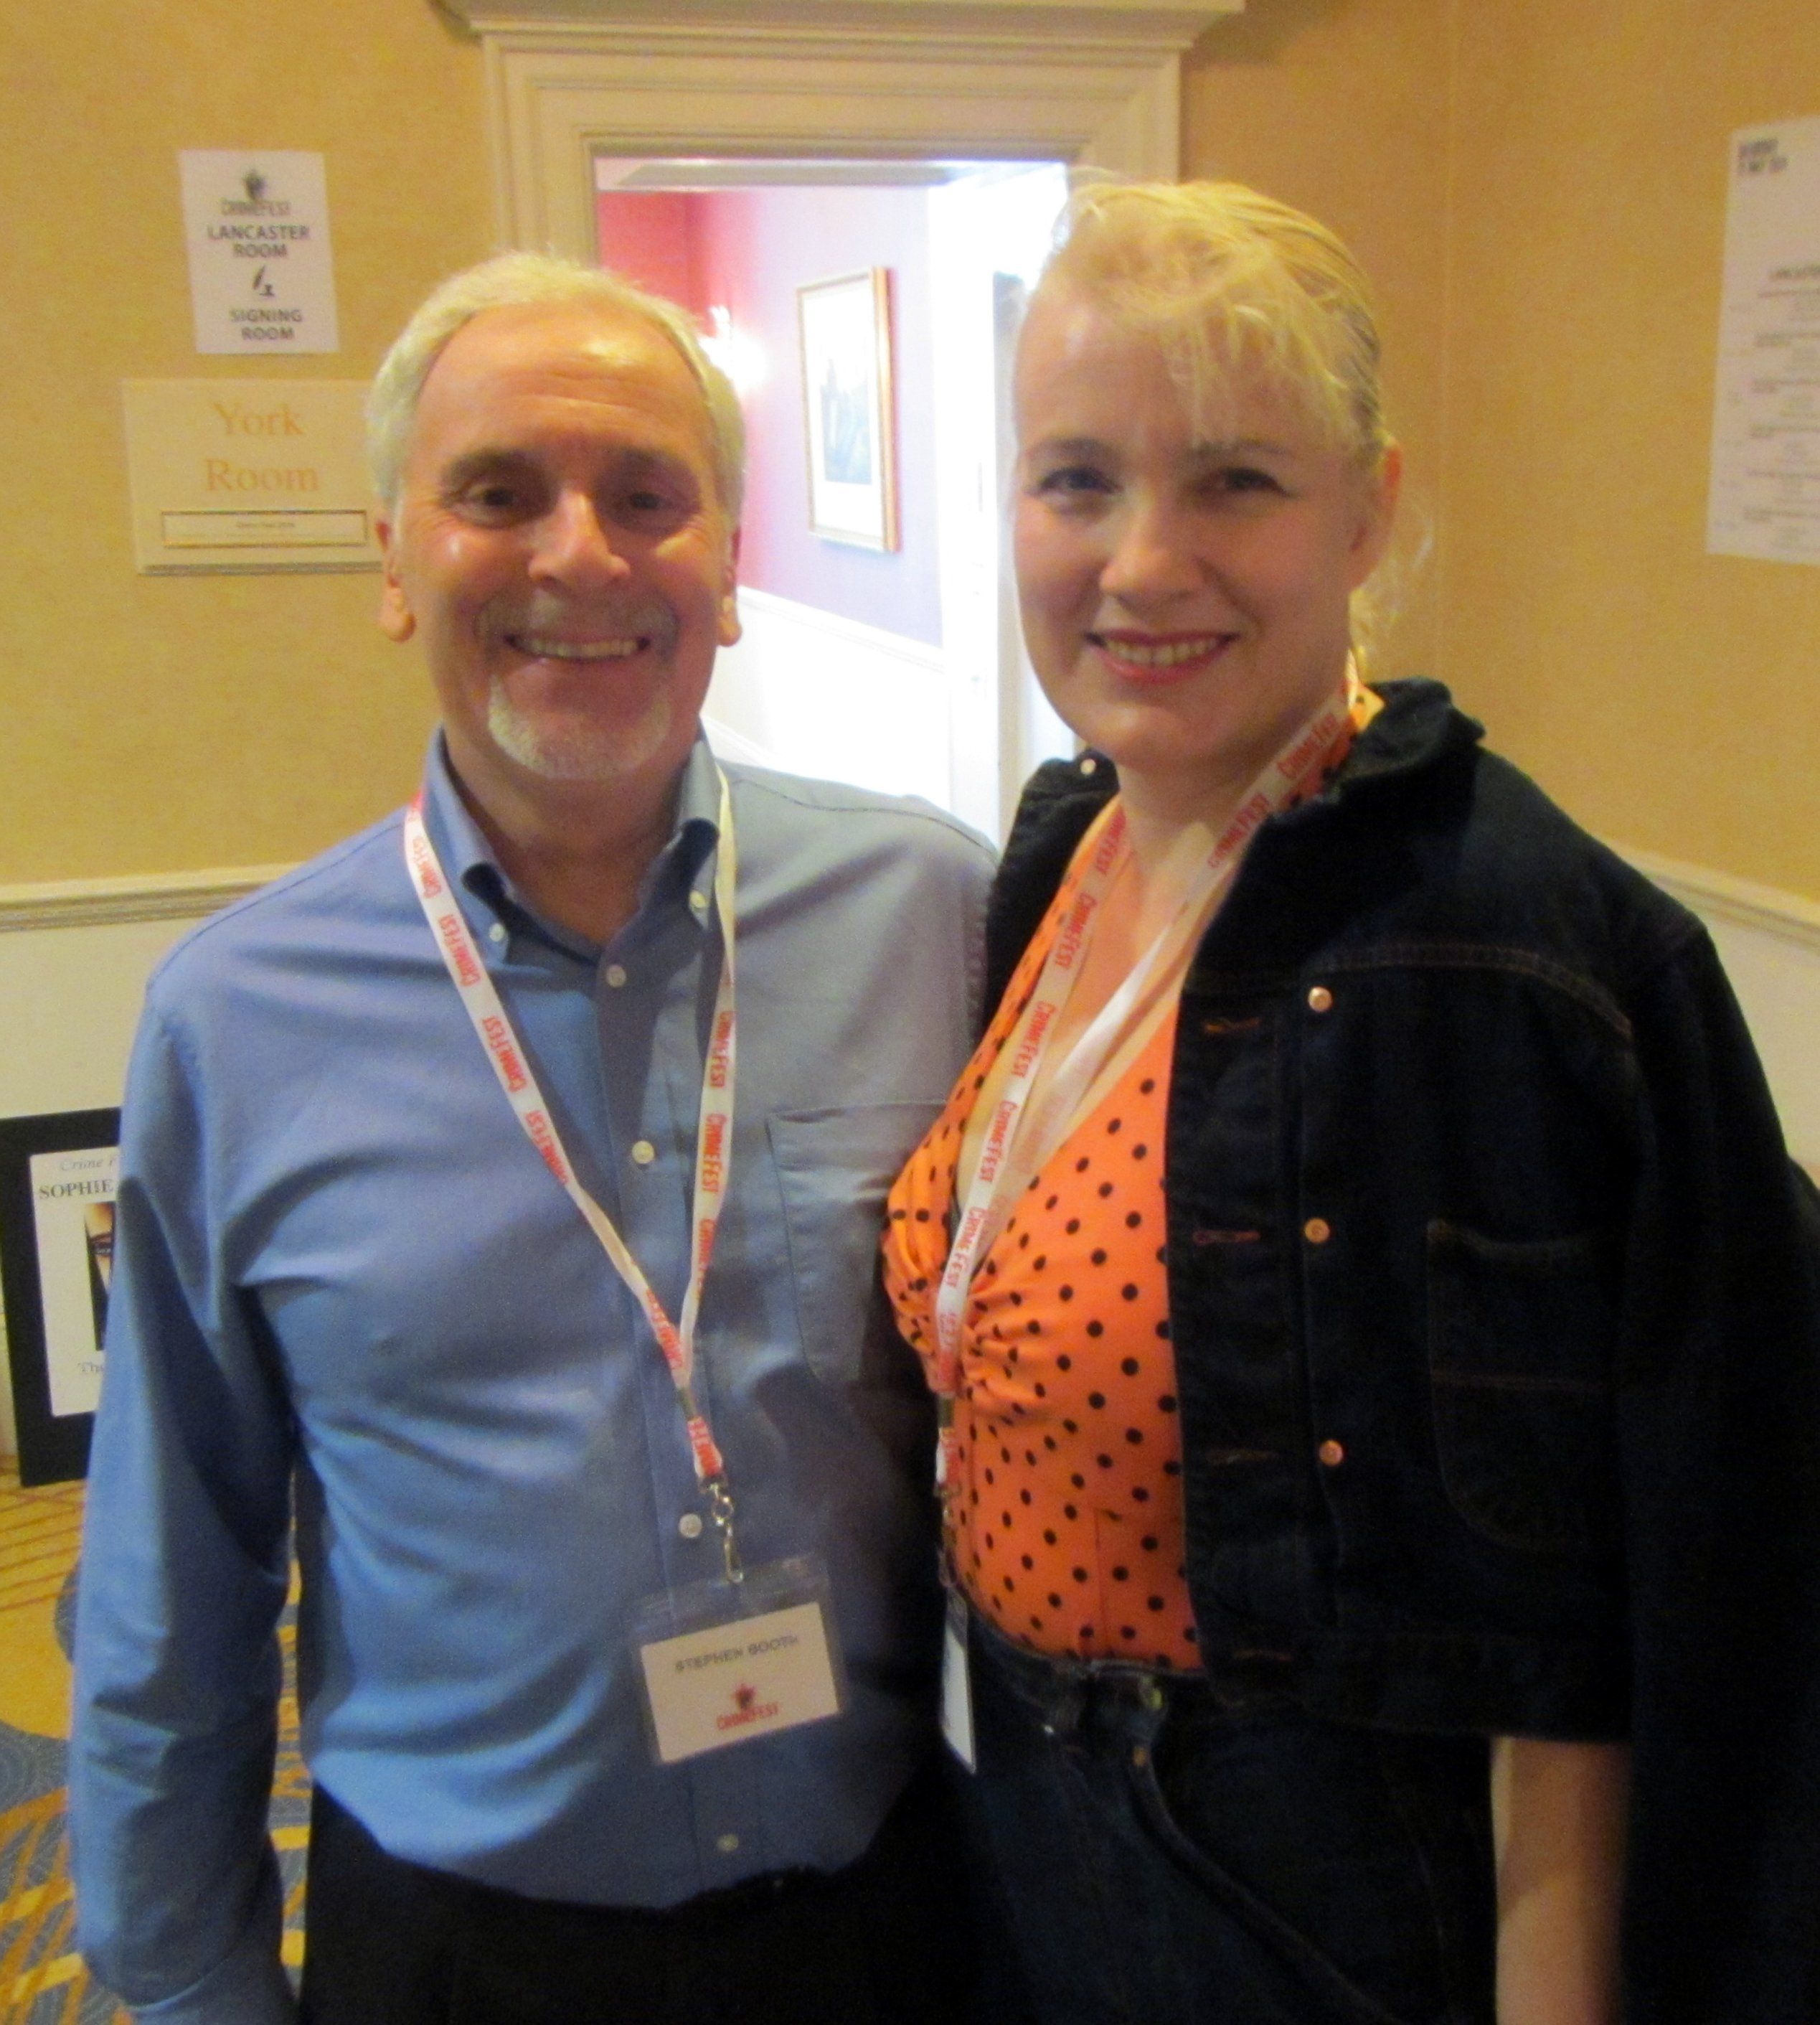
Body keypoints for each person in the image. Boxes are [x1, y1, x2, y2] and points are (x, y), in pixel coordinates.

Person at [884, 179, 1820, 2024]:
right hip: (1032, 1810)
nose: (1142, 562)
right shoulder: (1069, 850)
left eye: (1235, 480)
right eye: (1076, 479)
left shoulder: (1479, 939)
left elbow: (1572, 1641)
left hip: (1291, 1881)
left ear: (1370, 509)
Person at [70, 251, 994, 2025]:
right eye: (498, 493)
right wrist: (190, 1987)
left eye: (646, 496)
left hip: (887, 1918)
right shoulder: (236, 1023)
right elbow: (172, 1582)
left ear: (730, 563)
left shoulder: (934, 919)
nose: (581, 555)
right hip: (463, 1951)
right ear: (391, 562)